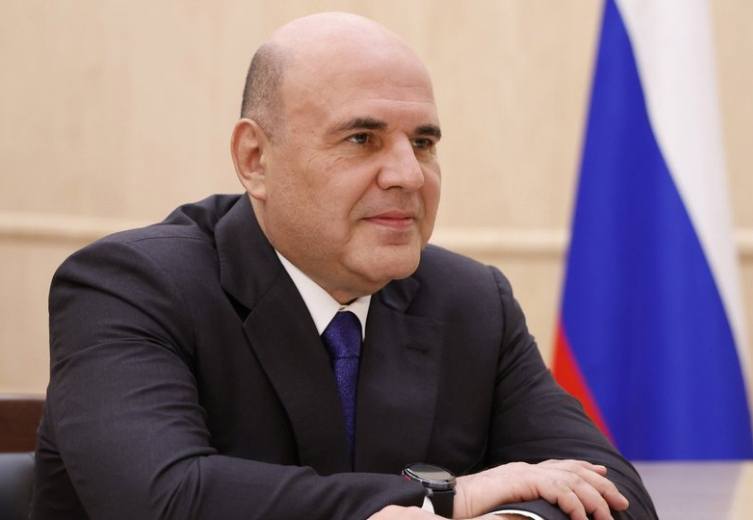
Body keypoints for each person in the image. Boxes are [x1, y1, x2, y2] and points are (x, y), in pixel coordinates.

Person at [31, 12, 657, 520]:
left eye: (424, 143)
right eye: (362, 139)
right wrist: (448, 499)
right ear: (255, 159)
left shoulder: (470, 301)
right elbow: (165, 499)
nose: (408, 174)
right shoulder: (129, 285)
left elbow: (612, 490)